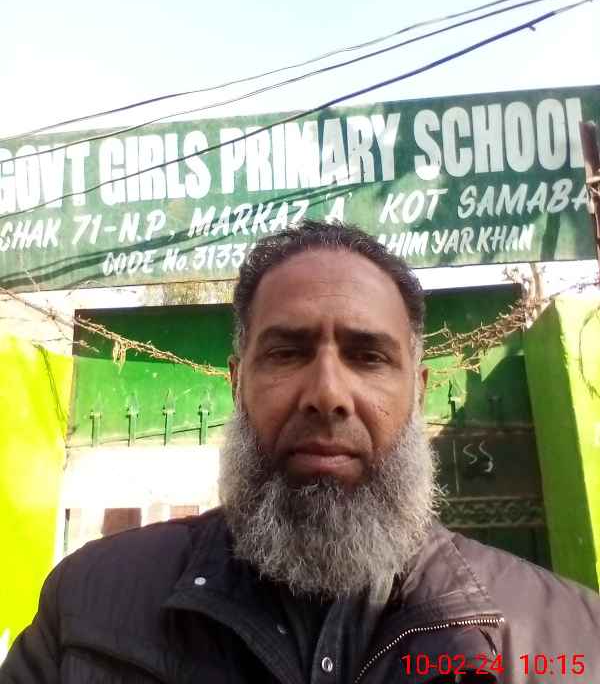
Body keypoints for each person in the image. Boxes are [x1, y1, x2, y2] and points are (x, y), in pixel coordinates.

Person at [2, 220, 599, 684]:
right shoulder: (86, 609)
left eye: (368, 356)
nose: (327, 394)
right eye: (287, 353)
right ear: (237, 383)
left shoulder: (573, 641)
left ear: (418, 393)